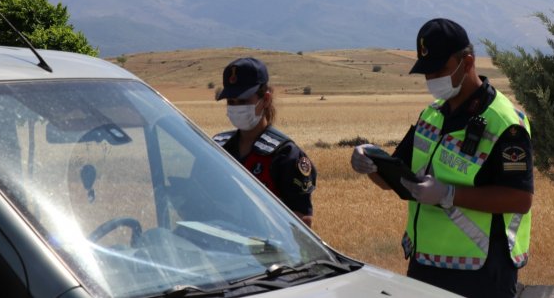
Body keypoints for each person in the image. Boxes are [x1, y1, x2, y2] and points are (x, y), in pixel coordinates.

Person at [350, 18, 533, 298]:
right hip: (425, 265)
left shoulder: (506, 123)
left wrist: (448, 194)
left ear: (468, 62)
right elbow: (395, 178)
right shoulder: (432, 115)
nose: (432, 79)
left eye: (439, 70)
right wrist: (371, 162)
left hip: (481, 273)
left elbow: (519, 199)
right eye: (427, 72)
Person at [214, 57, 316, 227]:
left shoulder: (286, 155)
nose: (236, 107)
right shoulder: (217, 148)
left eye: (244, 101)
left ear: (266, 99)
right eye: (231, 102)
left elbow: (302, 222)